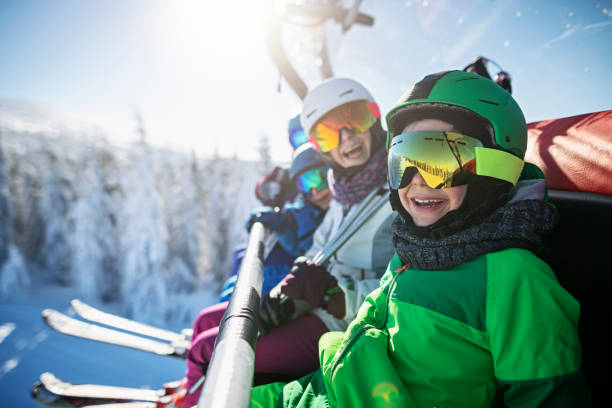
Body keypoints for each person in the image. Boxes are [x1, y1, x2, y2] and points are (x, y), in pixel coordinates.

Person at [250, 70, 590, 407]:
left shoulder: (515, 277)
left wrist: (333, 299)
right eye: (404, 159)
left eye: (440, 159)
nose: (417, 180)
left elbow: (546, 396)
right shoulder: (414, 247)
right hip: (327, 387)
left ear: (494, 166)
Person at [184, 77, 395, 407]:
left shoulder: (398, 191)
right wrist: (290, 291)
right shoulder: (342, 189)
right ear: (320, 145)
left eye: (355, 119)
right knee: (208, 323)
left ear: (374, 117)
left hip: (344, 323)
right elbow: (318, 250)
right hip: (316, 309)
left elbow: (403, 283)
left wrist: (335, 295)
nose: (347, 136)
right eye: (328, 132)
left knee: (210, 351)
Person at [219, 143, 332, 302]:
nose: (315, 190)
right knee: (241, 260)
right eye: (306, 185)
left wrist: (283, 228)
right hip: (287, 263)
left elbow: (308, 249)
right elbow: (263, 188)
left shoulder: (332, 211)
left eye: (320, 179)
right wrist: (267, 191)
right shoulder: (302, 200)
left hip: (294, 274)